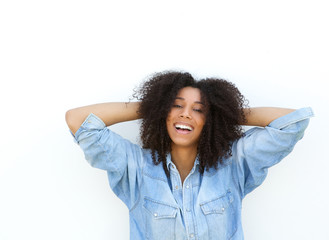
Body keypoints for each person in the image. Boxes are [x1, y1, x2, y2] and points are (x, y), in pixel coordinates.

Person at [65, 71, 313, 240]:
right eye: (176, 105)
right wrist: (154, 106)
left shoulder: (234, 163)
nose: (185, 115)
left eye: (198, 110)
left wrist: (224, 112)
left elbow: (293, 124)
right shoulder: (136, 168)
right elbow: (77, 120)